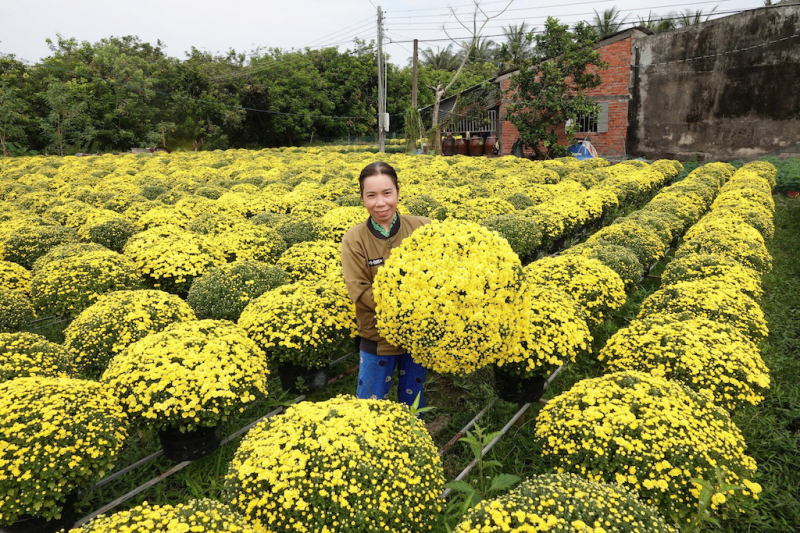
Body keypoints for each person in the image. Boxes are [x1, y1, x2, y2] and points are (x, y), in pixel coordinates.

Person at [341, 161, 431, 408]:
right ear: (362, 198)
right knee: (370, 405)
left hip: (419, 334)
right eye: (371, 195)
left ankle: (415, 440)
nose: (380, 203)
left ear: (398, 192)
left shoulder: (423, 227)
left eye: (387, 193)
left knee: (413, 402)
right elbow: (359, 290)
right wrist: (407, 307)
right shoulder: (355, 238)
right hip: (377, 337)